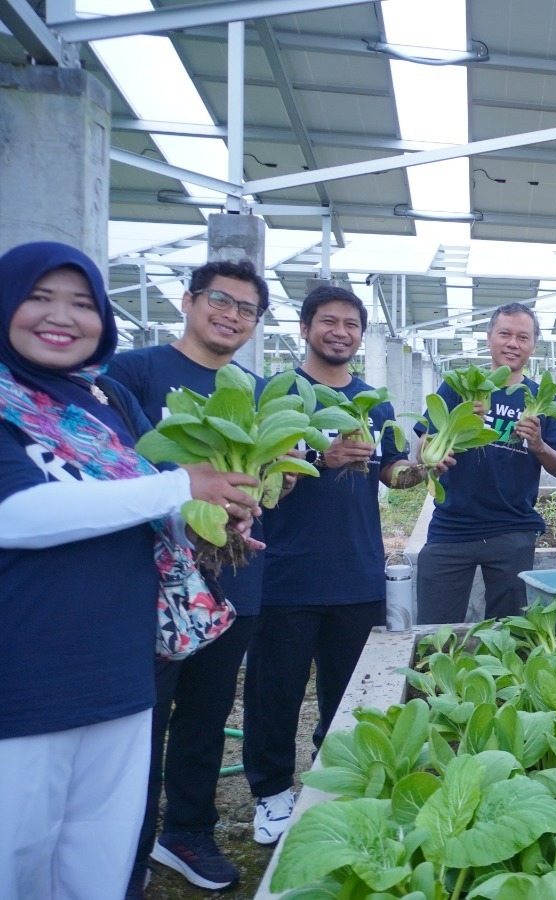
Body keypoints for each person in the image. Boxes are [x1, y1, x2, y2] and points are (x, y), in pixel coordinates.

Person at [0, 242, 257, 898]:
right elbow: (20, 515)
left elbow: (149, 494)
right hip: (26, 681)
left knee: (100, 852)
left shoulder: (106, 399)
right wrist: (179, 492)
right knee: (18, 854)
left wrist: (211, 523)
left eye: (83, 304)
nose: (62, 317)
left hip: (121, 667)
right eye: (39, 297)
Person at [244, 285, 432, 846]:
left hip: (355, 568)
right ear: (304, 328)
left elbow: (392, 473)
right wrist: (318, 459)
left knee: (350, 691)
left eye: (352, 324)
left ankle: (334, 778)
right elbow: (257, 472)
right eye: (329, 322)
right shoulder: (276, 393)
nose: (341, 332)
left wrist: (422, 469)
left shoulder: (373, 401)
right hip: (285, 569)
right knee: (274, 689)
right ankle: (272, 791)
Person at [106, 259, 272, 893]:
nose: (231, 316)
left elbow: (263, 476)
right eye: (220, 301)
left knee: (205, 713)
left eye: (246, 309)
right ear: (189, 300)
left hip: (234, 572)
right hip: (155, 582)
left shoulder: (256, 387)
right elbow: (117, 465)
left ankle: (186, 834)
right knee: (141, 717)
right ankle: (126, 846)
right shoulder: (134, 371)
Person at [416, 302, 556, 624]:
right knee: (434, 630)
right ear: (489, 338)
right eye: (505, 334)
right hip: (451, 526)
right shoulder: (459, 386)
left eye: (523, 337)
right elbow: (422, 444)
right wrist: (435, 447)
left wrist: (539, 445)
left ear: (532, 346)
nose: (513, 343)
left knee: (509, 632)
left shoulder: (541, 398)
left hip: (513, 530)